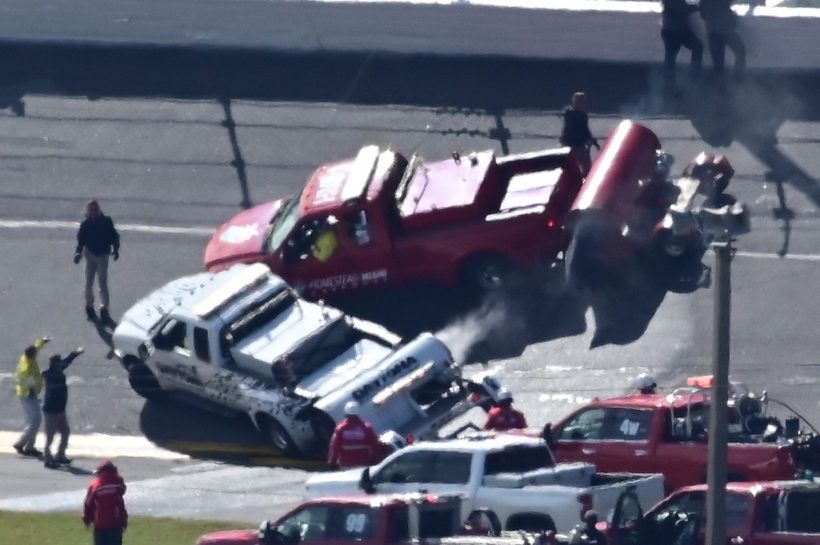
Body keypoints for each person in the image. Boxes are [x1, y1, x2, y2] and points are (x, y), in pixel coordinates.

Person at [74, 200, 120, 323]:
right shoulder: (85, 224)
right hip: (89, 255)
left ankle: (104, 309)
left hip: (102, 256)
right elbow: (80, 240)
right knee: (88, 283)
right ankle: (89, 307)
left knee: (102, 283)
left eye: (95, 209)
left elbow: (114, 236)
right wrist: (78, 252)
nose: (93, 212)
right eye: (91, 210)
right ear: (88, 211)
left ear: (99, 210)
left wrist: (115, 250)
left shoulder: (106, 222)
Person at [42, 347, 85, 468]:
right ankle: (48, 457)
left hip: (60, 409)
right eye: (59, 362)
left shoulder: (56, 370)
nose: (61, 363)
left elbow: (67, 361)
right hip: (51, 410)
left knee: (65, 432)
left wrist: (75, 353)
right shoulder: (48, 374)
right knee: (50, 435)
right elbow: (64, 364)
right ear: (55, 363)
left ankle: (60, 455)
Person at [13, 337, 51, 457]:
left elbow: (36, 348)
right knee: (36, 422)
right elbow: (23, 379)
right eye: (35, 354)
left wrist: (42, 342)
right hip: (28, 395)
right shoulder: (27, 367)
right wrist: (31, 389)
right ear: (32, 356)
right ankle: (21, 443)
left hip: (29, 394)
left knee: (33, 421)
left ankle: (30, 447)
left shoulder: (26, 357)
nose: (37, 354)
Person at [660, 0, 703, 92]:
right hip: (675, 31)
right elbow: (682, 8)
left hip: (673, 30)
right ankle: (692, 77)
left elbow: (681, 7)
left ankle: (670, 84)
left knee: (670, 57)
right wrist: (698, 6)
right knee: (671, 57)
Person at [327, 401, 384, 469]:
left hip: (346, 465)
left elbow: (335, 447)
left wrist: (332, 462)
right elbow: (375, 445)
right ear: (358, 413)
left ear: (346, 414)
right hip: (364, 463)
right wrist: (377, 459)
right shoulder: (366, 428)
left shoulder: (340, 429)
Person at [83, 460, 128, 545]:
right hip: (116, 522)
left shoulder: (95, 486)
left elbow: (88, 503)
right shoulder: (118, 483)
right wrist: (124, 519)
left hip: (100, 524)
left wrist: (86, 518)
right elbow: (121, 496)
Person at [700, 0, 745, 82]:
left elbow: (703, 15)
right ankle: (737, 79)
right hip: (725, 30)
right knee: (740, 51)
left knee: (719, 63)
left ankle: (722, 88)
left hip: (713, 32)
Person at [560, 92, 599, 176]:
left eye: (584, 102)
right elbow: (575, 131)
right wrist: (587, 139)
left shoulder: (582, 115)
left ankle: (584, 182)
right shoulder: (571, 114)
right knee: (568, 169)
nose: (583, 105)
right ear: (574, 103)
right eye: (580, 102)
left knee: (587, 168)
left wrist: (592, 140)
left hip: (579, 145)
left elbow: (585, 129)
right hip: (570, 145)